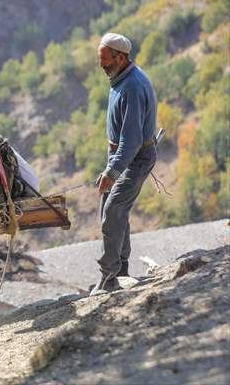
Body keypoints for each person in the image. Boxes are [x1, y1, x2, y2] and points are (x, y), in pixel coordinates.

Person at [91, 33, 157, 295]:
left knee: (113, 211)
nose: (101, 66)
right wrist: (111, 167)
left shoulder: (131, 86)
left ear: (120, 57)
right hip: (122, 156)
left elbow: (132, 141)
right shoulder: (120, 77)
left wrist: (112, 171)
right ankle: (122, 268)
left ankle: (108, 277)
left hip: (136, 158)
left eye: (105, 61)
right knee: (112, 209)